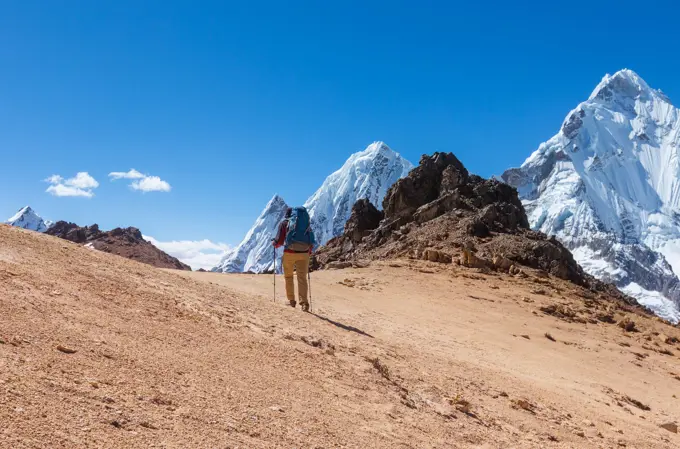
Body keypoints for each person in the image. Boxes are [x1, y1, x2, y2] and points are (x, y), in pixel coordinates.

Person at [272, 207, 316, 311]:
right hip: (304, 254)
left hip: (289, 253)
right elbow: (311, 240)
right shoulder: (305, 224)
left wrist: (274, 243)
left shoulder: (284, 223)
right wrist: (307, 252)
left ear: (287, 215)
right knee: (302, 278)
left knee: (288, 277)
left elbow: (279, 241)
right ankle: (304, 303)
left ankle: (291, 300)